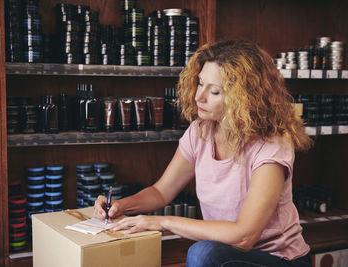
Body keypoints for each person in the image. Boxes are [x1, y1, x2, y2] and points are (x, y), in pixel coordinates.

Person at [94, 40, 313, 267]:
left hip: (280, 260)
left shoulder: (270, 146)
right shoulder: (201, 131)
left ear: (244, 99)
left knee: (203, 254)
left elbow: (244, 237)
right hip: (226, 254)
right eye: (200, 84)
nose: (199, 96)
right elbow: (161, 192)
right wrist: (121, 205)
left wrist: (164, 222)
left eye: (214, 91)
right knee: (205, 253)